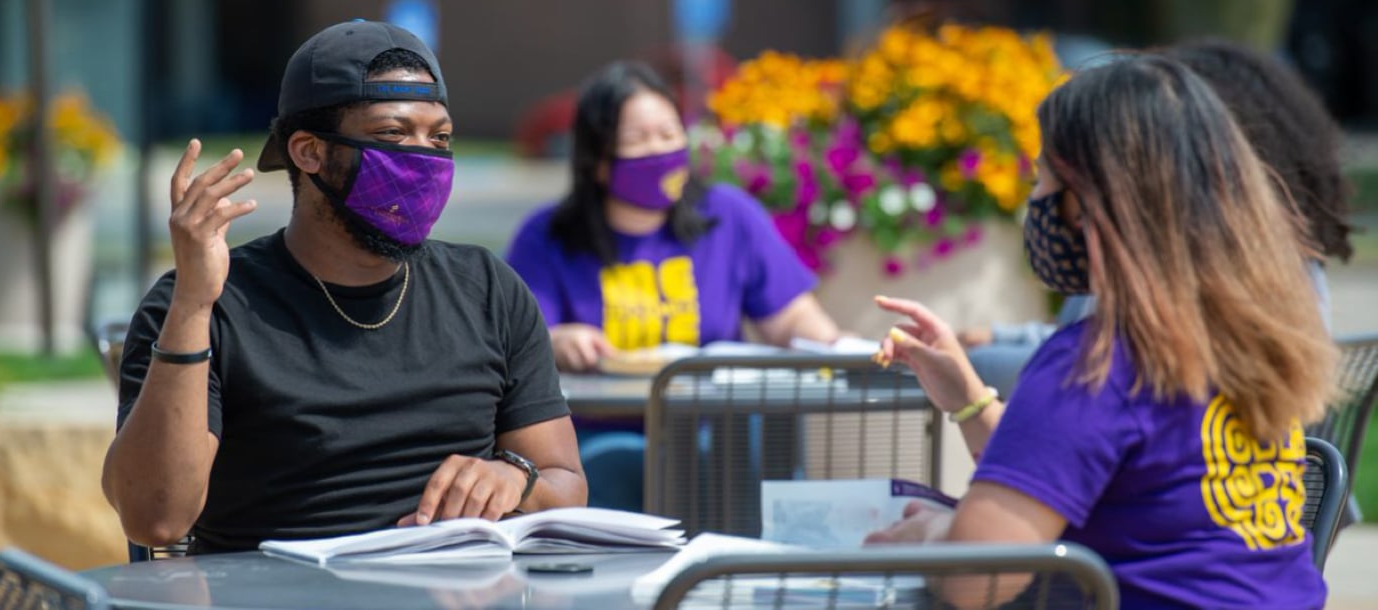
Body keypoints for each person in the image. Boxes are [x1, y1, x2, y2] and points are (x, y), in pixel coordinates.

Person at [865, 54, 1335, 609]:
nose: (1031, 204)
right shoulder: (1244, 338)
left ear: (1090, 208)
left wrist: (927, 535)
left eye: (1042, 178)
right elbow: (1093, 478)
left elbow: (979, 579)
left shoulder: (1094, 363)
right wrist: (969, 400)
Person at [101, 21, 585, 555]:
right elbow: (155, 520)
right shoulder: (206, 303)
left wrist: (516, 479)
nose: (425, 158)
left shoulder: (488, 288)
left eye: (439, 137)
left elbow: (566, 482)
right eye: (393, 135)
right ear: (308, 153)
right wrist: (194, 300)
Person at [504, 61, 841, 511]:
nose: (659, 151)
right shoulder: (545, 236)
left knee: (752, 447)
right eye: (638, 141)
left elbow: (792, 318)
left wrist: (842, 347)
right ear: (598, 161)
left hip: (714, 433)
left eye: (669, 134)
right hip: (602, 435)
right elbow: (515, 347)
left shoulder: (729, 216)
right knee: (618, 467)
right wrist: (557, 339)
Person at [961, 40, 1354, 400]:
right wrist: (1001, 338)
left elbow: (1103, 368)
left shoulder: (1159, 267)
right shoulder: (1257, 270)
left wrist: (964, 380)